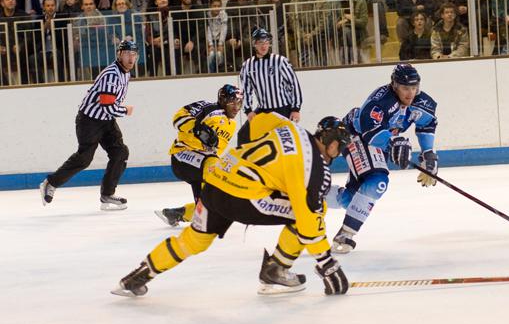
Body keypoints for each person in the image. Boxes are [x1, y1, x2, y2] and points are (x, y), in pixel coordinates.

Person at [112, 114, 352, 297]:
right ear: (330, 141)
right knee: (317, 208)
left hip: (216, 182)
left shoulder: (290, 127)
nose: (339, 152)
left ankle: (138, 277)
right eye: (339, 145)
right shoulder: (316, 171)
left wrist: (245, 159)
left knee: (193, 240)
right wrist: (327, 265)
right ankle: (276, 270)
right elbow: (309, 221)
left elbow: (255, 123)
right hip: (244, 197)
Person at [330, 63, 438, 253]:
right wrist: (392, 143)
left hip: (375, 143)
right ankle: (346, 235)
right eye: (405, 88)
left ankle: (312, 195)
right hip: (355, 135)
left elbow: (427, 123)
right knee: (378, 181)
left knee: (351, 199)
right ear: (394, 86)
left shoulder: (421, 102)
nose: (410, 93)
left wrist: (428, 153)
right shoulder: (381, 101)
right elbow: (369, 132)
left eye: (414, 88)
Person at [39, 41, 138, 211]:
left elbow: (109, 107)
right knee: (84, 158)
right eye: (127, 53)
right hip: (89, 121)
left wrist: (118, 110)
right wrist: (125, 110)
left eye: (134, 54)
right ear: (119, 54)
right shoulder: (112, 75)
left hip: (106, 121)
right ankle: (50, 183)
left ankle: (107, 195)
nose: (131, 58)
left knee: (120, 152)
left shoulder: (125, 73)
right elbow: (107, 105)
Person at [155, 84, 242, 227]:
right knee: (215, 175)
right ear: (222, 100)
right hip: (182, 156)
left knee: (208, 210)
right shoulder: (208, 107)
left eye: (239, 103)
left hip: (201, 165)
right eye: (232, 102)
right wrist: (198, 128)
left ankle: (177, 213)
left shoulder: (231, 124)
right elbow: (178, 118)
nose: (236, 107)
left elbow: (214, 152)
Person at [238, 28, 302, 145]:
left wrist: (295, 109)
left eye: (266, 42)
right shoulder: (247, 65)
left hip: (283, 109)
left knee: (284, 143)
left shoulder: (280, 61)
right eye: (261, 43)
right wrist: (248, 110)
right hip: (264, 110)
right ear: (254, 44)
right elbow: (246, 90)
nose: (264, 46)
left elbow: (293, 84)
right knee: (243, 135)